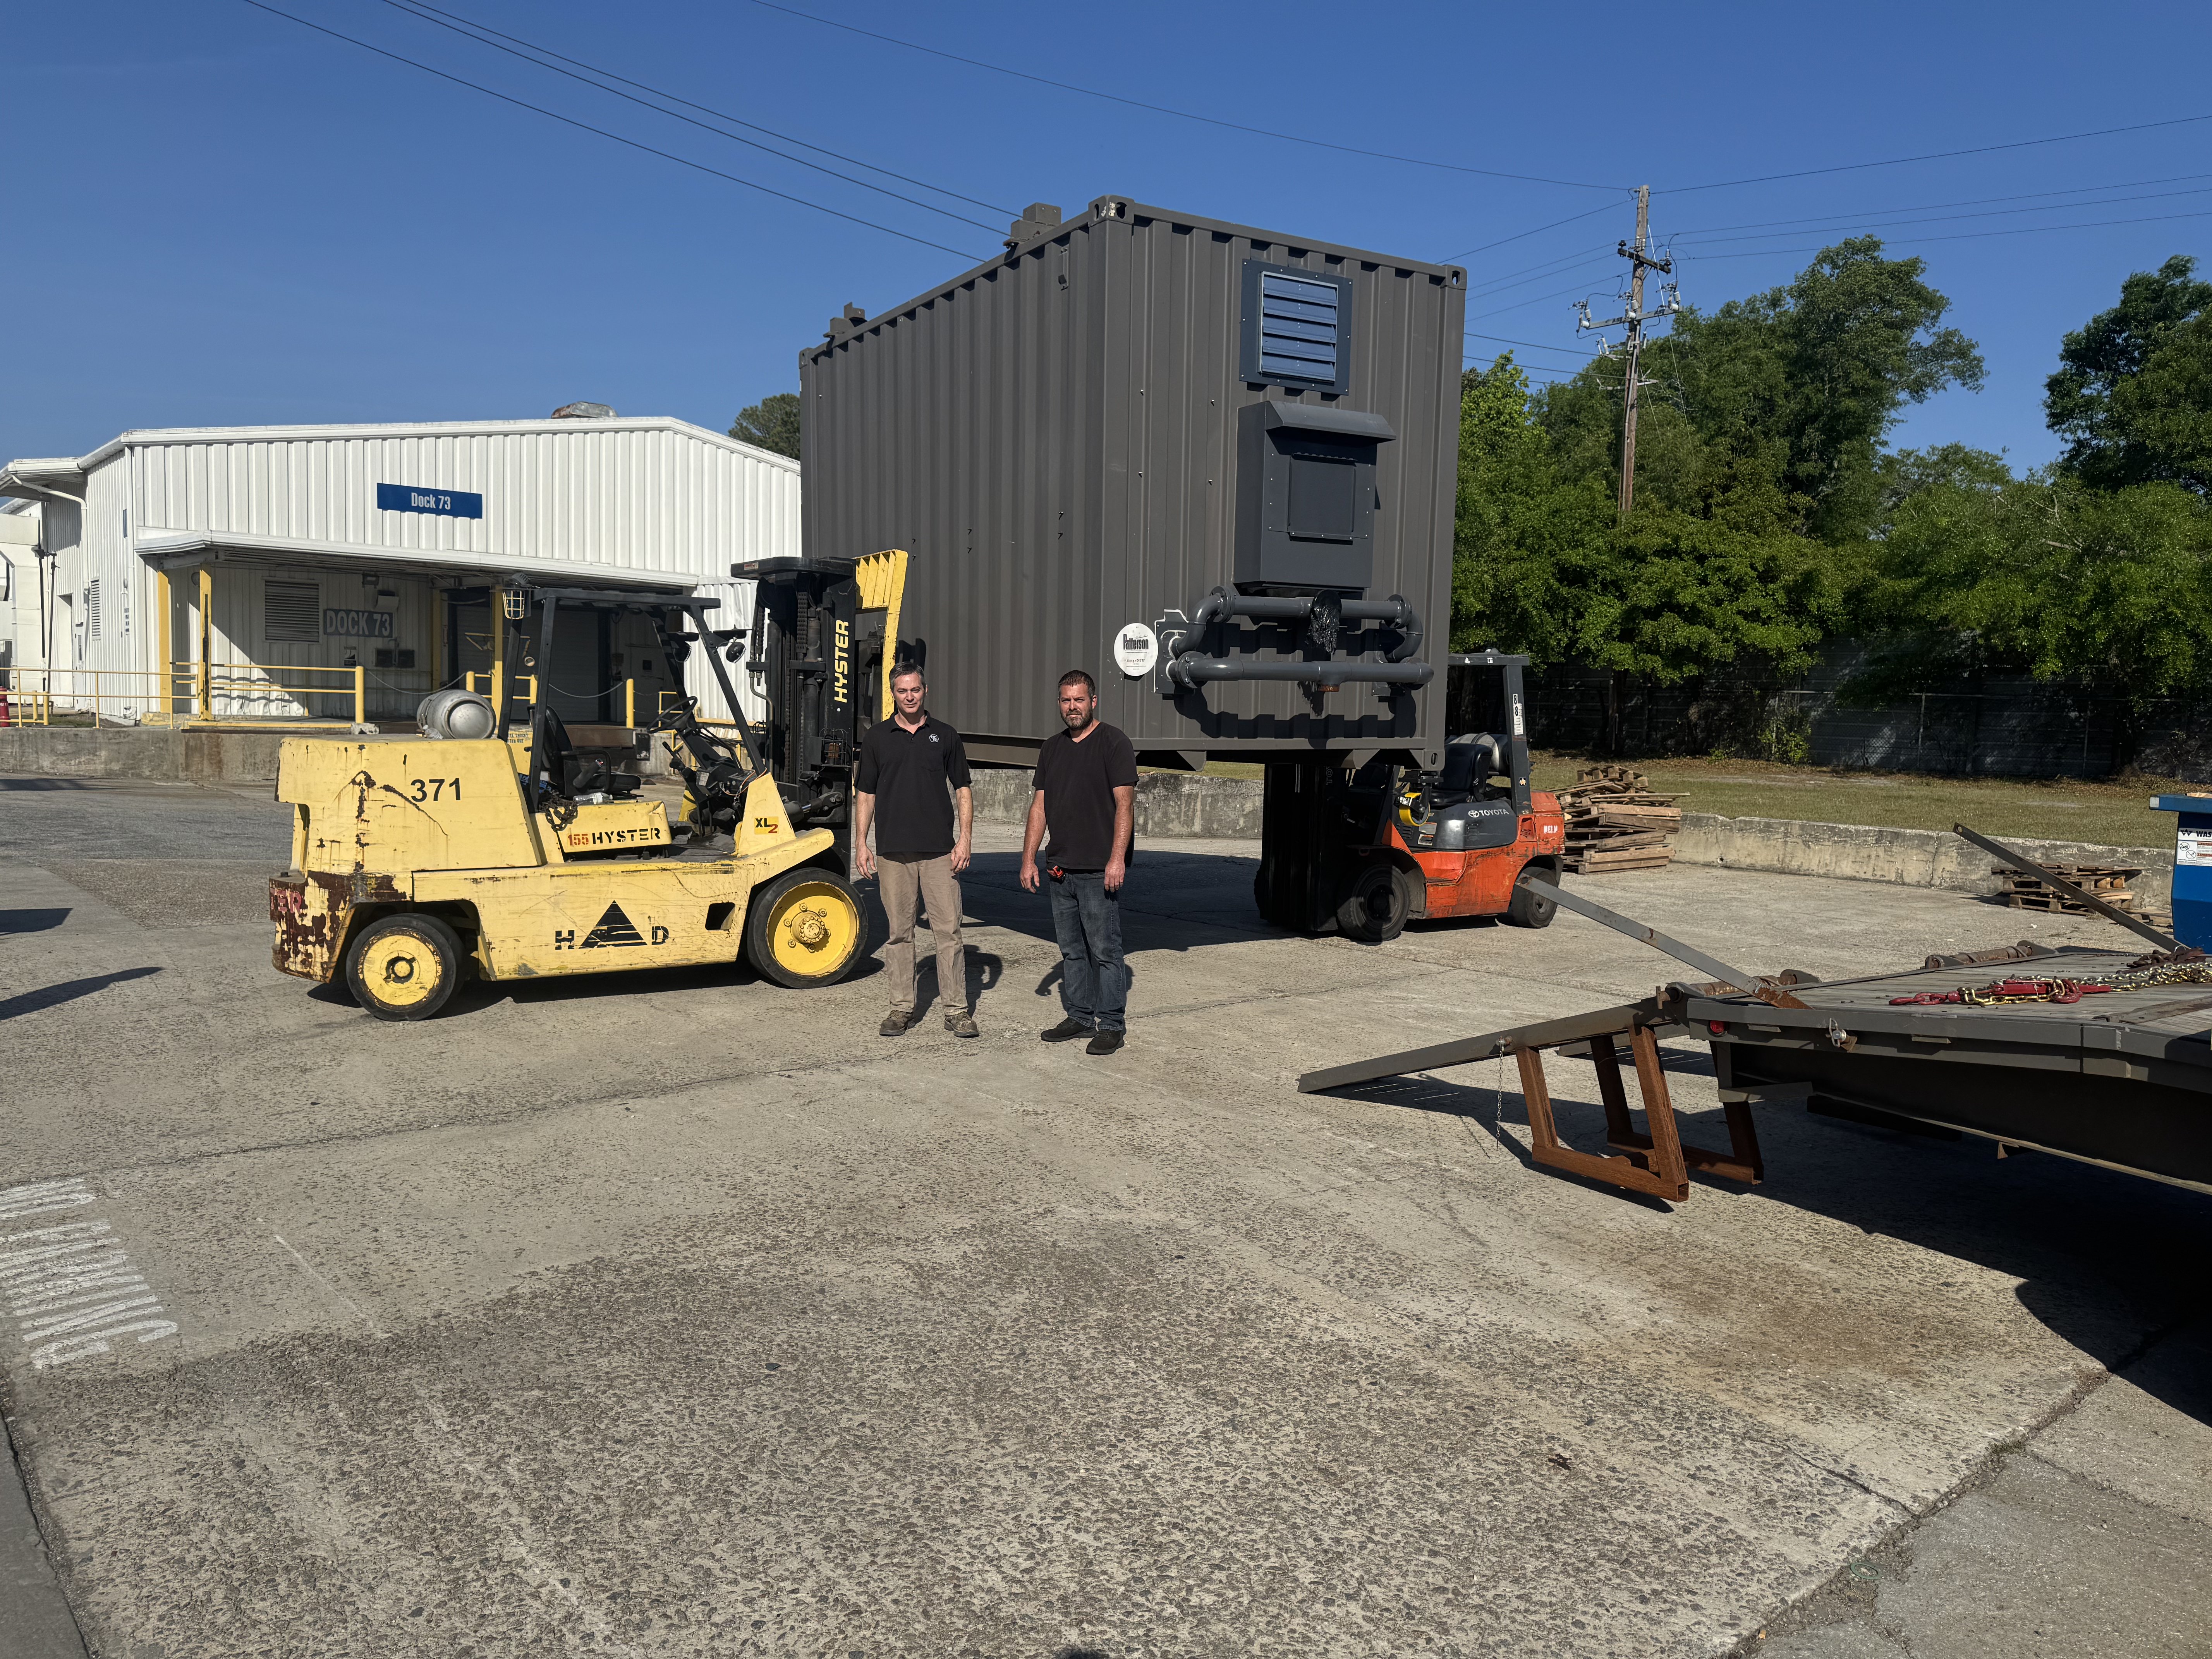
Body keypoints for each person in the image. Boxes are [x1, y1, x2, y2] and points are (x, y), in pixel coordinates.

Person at [854, 665, 976, 1038]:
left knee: (949, 932)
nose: (910, 696)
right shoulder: (877, 738)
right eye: (902, 691)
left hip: (940, 852)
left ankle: (956, 1011)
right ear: (893, 694)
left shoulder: (946, 735)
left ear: (926, 691)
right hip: (893, 853)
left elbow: (963, 789)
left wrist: (965, 839)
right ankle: (901, 1008)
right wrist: (862, 843)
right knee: (899, 934)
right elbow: (866, 794)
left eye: (916, 690)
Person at [1019, 669, 1137, 1055]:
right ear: (1060, 704)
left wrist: (1117, 859)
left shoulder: (1113, 743)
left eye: (1080, 700)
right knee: (1071, 950)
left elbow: (1125, 806)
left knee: (1105, 950)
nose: (1073, 707)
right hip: (1059, 868)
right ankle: (1081, 1016)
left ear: (1093, 701)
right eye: (1066, 701)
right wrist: (1029, 859)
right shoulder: (1051, 748)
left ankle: (1111, 1024)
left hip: (1098, 869)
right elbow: (1040, 808)